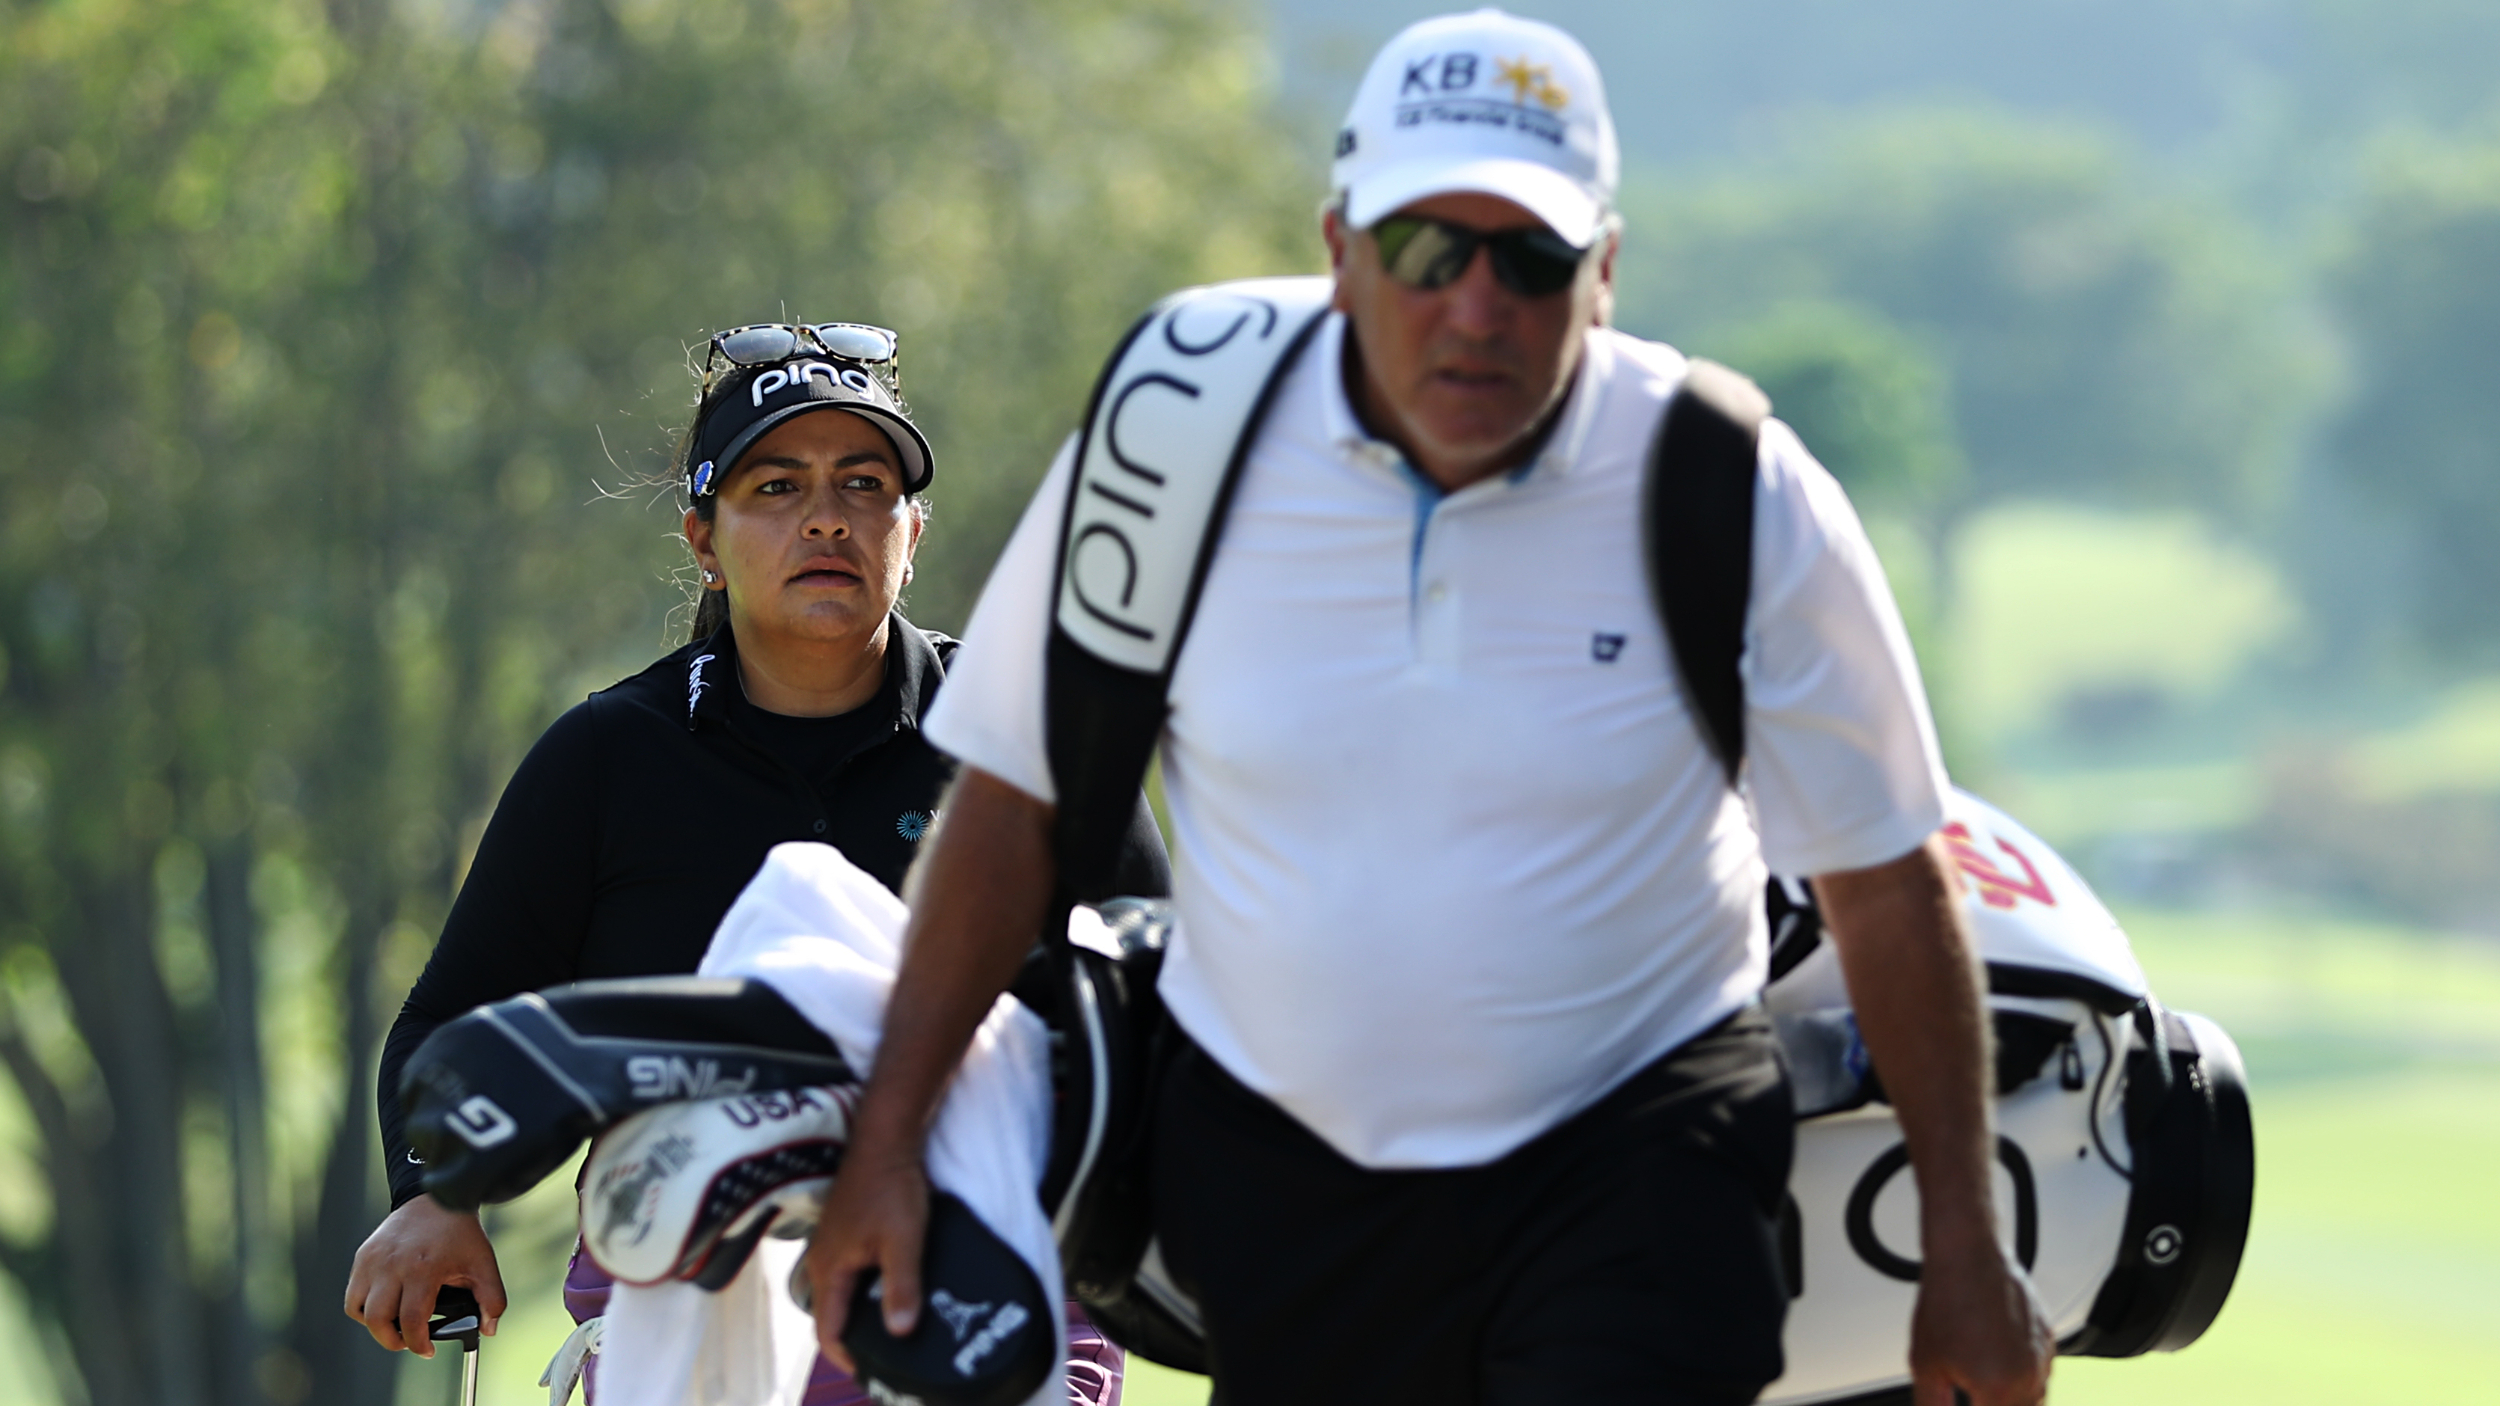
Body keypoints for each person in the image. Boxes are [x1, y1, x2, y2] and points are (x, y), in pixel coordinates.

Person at [803, 11, 2057, 1406]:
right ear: (1342, 252)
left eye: (1531, 258)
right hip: (1285, 1181)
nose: (1478, 304)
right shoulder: (1176, 441)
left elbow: (1888, 876)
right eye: (1424, 251)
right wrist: (890, 1141)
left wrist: (1966, 1241)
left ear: (1606, 274)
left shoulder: (1730, 485)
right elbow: (1015, 807)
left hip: (1636, 1154)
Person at [341, 321, 1168, 1405]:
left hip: (986, 1286)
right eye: (775, 486)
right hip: (689, 1313)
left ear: (910, 531)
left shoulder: (1020, 736)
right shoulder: (609, 756)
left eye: (863, 483)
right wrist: (434, 1192)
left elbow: (1163, 994)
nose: (826, 515)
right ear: (702, 538)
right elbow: (450, 1019)